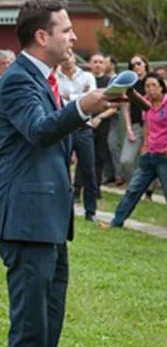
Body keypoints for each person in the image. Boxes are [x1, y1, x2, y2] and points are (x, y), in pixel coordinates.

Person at [0, 0, 115, 347]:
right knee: (31, 331)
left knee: (48, 326)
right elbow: (38, 129)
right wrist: (82, 107)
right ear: (40, 36)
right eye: (65, 30)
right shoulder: (17, 79)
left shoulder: (41, 78)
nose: (73, 36)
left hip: (47, 221)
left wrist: (84, 109)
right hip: (28, 222)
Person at [103, 73, 167, 241]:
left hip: (166, 157)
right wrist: (145, 145)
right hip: (149, 156)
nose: (151, 89)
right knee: (133, 190)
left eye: (154, 85)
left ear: (162, 87)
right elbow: (147, 126)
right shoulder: (147, 106)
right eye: (147, 86)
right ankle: (116, 221)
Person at [56, 54, 98, 222]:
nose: (67, 59)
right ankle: (63, 209)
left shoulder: (87, 76)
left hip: (84, 129)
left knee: (89, 170)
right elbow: (58, 101)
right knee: (62, 169)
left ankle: (91, 211)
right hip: (64, 129)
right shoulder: (54, 77)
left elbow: (93, 99)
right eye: (64, 57)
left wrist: (69, 97)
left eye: (70, 56)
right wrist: (81, 96)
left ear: (75, 59)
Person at [87, 53, 117, 195]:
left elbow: (114, 107)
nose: (98, 64)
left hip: (103, 123)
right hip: (85, 122)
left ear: (105, 65)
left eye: (100, 62)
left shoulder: (110, 81)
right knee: (85, 157)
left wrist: (100, 117)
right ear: (90, 64)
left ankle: (96, 187)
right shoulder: (86, 79)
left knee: (100, 157)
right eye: (95, 62)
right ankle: (80, 187)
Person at [120, 54, 149, 182]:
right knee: (126, 160)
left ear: (145, 64)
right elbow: (126, 107)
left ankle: (148, 191)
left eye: (138, 63)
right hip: (136, 125)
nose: (136, 67)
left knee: (149, 161)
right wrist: (128, 128)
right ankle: (134, 186)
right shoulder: (129, 84)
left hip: (152, 126)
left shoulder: (153, 81)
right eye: (132, 65)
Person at [104, 55, 124, 185]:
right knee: (105, 146)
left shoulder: (116, 79)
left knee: (113, 145)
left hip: (114, 117)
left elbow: (116, 101)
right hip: (104, 116)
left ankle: (119, 175)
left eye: (105, 62)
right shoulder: (104, 79)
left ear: (112, 65)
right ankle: (108, 174)